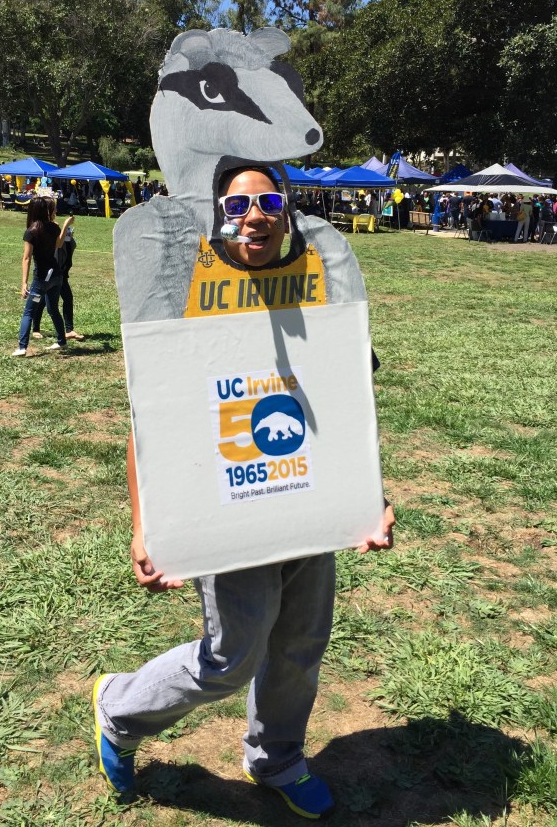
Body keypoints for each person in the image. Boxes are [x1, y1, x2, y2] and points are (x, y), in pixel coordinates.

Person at [93, 167, 395, 819]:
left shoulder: (321, 293)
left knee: (300, 643)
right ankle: (120, 708)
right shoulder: (186, 298)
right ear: (217, 217)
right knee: (231, 657)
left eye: (269, 201)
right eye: (238, 204)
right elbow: (149, 425)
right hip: (227, 511)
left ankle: (276, 756)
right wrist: (145, 525)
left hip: (307, 503)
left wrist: (370, 495)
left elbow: (349, 402)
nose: (255, 214)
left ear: (286, 213)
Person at [11, 197, 74, 357]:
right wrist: (65, 226)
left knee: (28, 312)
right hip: (56, 276)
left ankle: (22, 347)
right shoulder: (53, 227)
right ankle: (61, 342)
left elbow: (26, 258)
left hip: (42, 280)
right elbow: (59, 244)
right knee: (53, 309)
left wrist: (24, 283)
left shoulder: (31, 232)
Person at [31, 198, 84, 342]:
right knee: (41, 300)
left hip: (59, 271)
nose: (56, 211)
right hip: (47, 272)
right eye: (53, 209)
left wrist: (67, 233)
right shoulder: (44, 227)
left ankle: (69, 330)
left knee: (67, 298)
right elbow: (56, 245)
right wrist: (65, 225)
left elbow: (63, 244)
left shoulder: (54, 226)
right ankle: (35, 328)